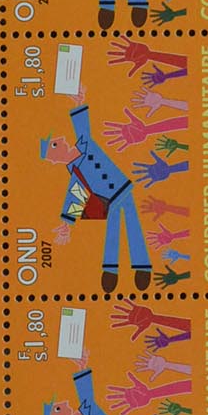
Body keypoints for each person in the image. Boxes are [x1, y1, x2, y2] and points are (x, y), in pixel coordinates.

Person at [40, 98, 151, 292]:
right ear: (53, 159)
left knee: (133, 226)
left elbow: (82, 123)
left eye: (57, 140)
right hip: (110, 200)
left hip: (123, 188)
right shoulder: (76, 174)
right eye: (55, 145)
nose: (62, 140)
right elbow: (75, 198)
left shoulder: (85, 142)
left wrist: (79, 102)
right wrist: (66, 224)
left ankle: (141, 265)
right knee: (113, 231)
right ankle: (110, 270)